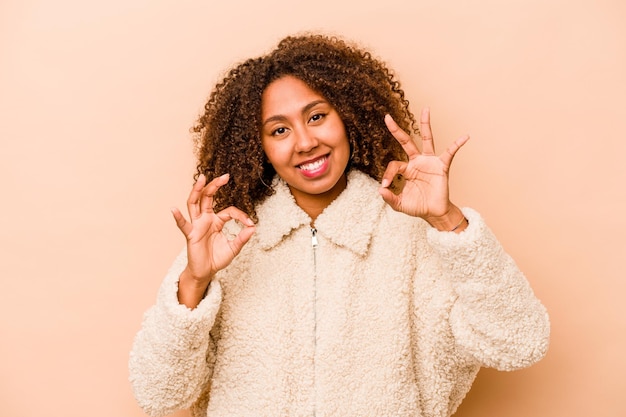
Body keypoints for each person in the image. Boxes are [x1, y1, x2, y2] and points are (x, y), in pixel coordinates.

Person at [129, 34, 550, 417]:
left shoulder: (413, 236)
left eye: (316, 117)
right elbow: (159, 394)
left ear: (347, 115)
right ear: (259, 147)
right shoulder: (227, 243)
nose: (305, 141)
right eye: (279, 130)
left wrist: (447, 220)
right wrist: (194, 282)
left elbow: (518, 341)